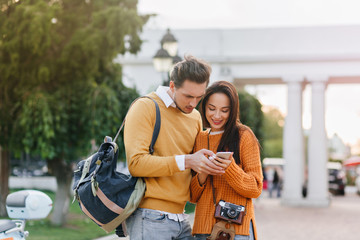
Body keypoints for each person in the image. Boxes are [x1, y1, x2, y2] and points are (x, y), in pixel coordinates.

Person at [124, 55, 224, 240]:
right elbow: (136, 163)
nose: (193, 103)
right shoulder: (145, 107)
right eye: (188, 96)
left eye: (199, 97)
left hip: (182, 217)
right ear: (172, 86)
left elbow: (192, 170)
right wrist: (187, 161)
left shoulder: (194, 117)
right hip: (150, 217)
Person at [190, 81, 263, 240]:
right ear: (204, 107)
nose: (217, 116)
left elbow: (256, 188)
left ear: (233, 110)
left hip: (236, 230)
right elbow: (192, 197)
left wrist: (229, 168)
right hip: (204, 230)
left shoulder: (244, 135)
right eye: (211, 109)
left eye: (224, 110)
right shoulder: (200, 139)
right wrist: (203, 173)